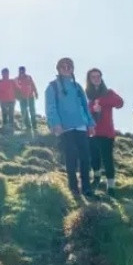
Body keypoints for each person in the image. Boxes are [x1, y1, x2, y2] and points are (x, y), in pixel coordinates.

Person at [46, 58, 96, 199]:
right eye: (63, 66)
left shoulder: (78, 87)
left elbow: (85, 107)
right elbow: (51, 107)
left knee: (85, 157)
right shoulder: (53, 87)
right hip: (65, 128)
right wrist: (55, 123)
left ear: (73, 68)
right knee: (71, 157)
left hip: (81, 126)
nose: (66, 68)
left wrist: (90, 123)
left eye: (69, 66)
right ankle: (73, 188)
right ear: (58, 69)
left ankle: (86, 188)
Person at [86, 68, 125, 195]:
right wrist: (93, 109)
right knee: (94, 158)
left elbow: (120, 103)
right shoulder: (86, 94)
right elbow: (84, 111)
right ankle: (96, 178)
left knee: (108, 160)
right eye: (93, 77)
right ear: (89, 79)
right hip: (91, 132)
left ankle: (111, 187)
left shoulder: (108, 92)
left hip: (107, 133)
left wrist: (102, 102)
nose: (96, 79)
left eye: (98, 76)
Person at [16, 67, 39, 134]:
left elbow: (33, 85)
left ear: (25, 71)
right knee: (24, 112)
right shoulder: (17, 79)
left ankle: (34, 126)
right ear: (19, 71)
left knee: (32, 111)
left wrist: (36, 92)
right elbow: (15, 89)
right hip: (22, 98)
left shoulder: (29, 77)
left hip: (30, 97)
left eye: (23, 71)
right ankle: (28, 126)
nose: (22, 72)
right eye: (20, 71)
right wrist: (17, 97)